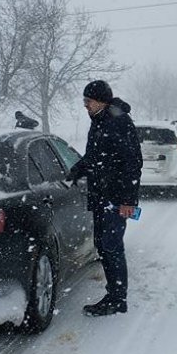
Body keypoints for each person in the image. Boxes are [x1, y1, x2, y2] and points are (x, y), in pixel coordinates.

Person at [67, 80, 143, 317]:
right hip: (101, 195)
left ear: (100, 100)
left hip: (116, 198)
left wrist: (129, 202)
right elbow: (94, 156)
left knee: (111, 247)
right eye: (84, 101)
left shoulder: (118, 122)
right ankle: (114, 294)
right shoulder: (100, 121)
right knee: (104, 245)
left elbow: (133, 163)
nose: (85, 106)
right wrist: (75, 170)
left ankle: (117, 298)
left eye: (87, 101)